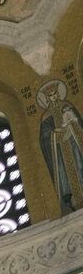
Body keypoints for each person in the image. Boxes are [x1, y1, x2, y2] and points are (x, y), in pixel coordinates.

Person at [39, 82, 83, 213]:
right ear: (47, 98)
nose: (53, 96)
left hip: (74, 143)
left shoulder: (67, 105)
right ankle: (70, 199)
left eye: (54, 94)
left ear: (58, 94)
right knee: (63, 171)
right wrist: (54, 133)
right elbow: (44, 138)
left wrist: (72, 124)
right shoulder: (46, 115)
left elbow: (79, 123)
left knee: (79, 163)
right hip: (60, 150)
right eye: (50, 95)